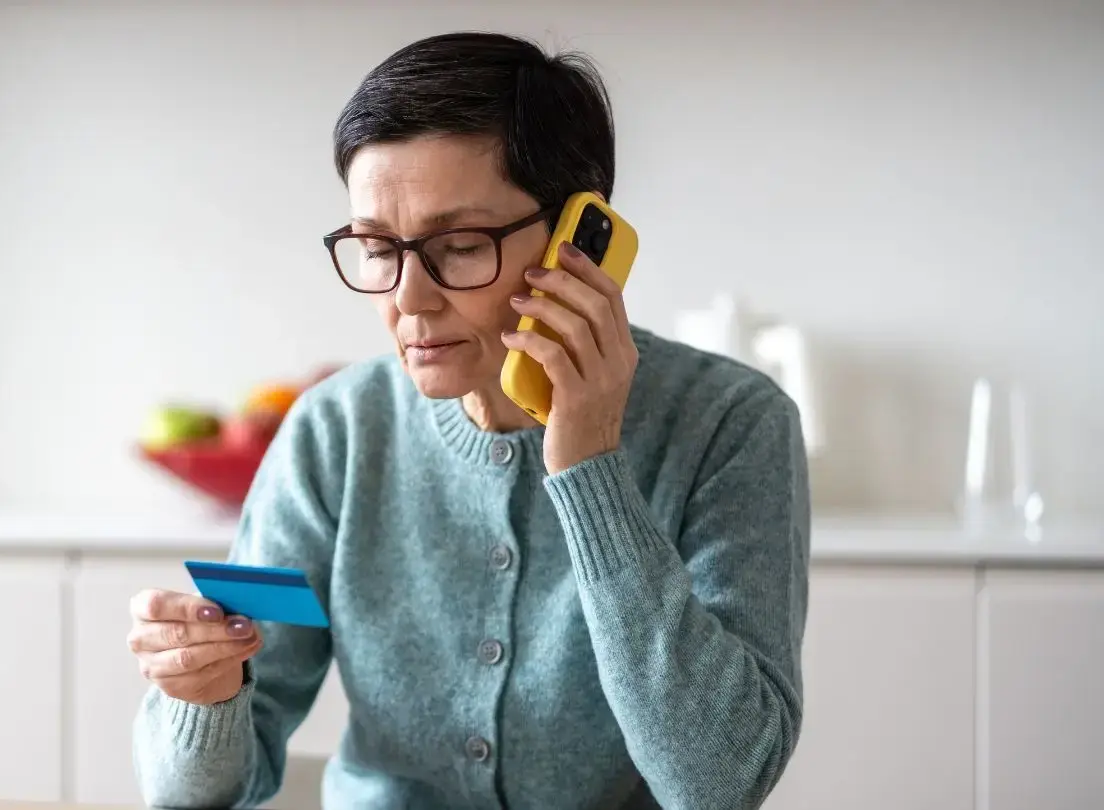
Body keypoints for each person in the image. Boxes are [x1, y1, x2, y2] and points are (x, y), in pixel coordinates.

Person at [129, 31, 809, 810]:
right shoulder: (333, 436)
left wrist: (588, 467)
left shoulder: (733, 425)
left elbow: (720, 784)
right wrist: (205, 695)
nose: (408, 299)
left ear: (576, 242)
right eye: (378, 248)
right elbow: (194, 790)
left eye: (458, 246)